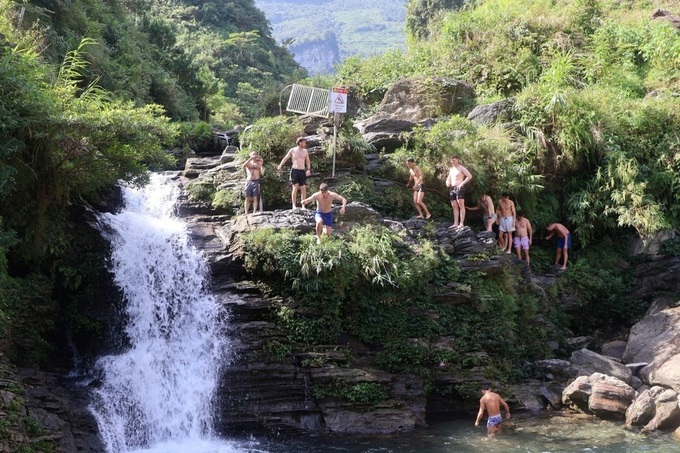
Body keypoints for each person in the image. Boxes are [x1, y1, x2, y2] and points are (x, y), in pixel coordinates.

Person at [278, 137, 311, 209]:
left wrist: (308, 169)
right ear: (300, 142)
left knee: (303, 188)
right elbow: (286, 158)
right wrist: (281, 165)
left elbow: (307, 161)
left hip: (302, 170)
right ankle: (294, 205)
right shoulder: (292, 150)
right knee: (295, 187)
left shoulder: (305, 151)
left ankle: (303, 205)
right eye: (304, 142)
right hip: (294, 170)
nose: (305, 144)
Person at [445, 156, 473, 229]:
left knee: (461, 205)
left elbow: (469, 176)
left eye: (454, 160)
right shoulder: (451, 169)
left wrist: (462, 184)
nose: (452, 162)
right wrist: (447, 182)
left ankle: (461, 223)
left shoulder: (461, 168)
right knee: (454, 206)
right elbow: (449, 178)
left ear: (458, 160)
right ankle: (455, 223)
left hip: (459, 188)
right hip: (452, 188)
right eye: (452, 161)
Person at [242, 150, 263, 215]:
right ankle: (246, 212)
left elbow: (261, 166)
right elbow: (243, 166)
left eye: (255, 154)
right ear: (250, 155)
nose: (254, 156)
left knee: (255, 197)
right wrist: (250, 159)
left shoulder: (258, 163)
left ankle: (254, 211)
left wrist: (259, 159)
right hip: (249, 181)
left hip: (256, 181)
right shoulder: (248, 163)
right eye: (253, 154)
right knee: (247, 197)